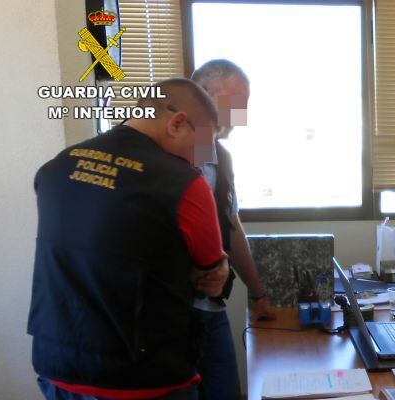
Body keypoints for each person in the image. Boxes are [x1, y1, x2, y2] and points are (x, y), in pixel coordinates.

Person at [28, 78, 230, 400]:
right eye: (203, 146)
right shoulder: (185, 184)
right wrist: (216, 273)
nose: (201, 160)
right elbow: (210, 270)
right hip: (141, 376)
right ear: (177, 123)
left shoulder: (56, 166)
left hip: (58, 366)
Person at [190, 59, 276, 400]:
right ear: (203, 95)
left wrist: (259, 294)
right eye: (236, 101)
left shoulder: (220, 158)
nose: (241, 114)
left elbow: (231, 225)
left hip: (211, 308)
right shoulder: (163, 156)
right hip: (168, 317)